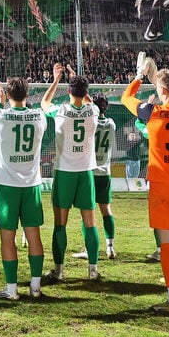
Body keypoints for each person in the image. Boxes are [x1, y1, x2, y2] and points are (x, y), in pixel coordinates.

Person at [122, 63, 169, 313]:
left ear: (163, 90)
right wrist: (157, 77)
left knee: (167, 244)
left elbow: (126, 98)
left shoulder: (152, 113)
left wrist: (139, 76)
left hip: (162, 185)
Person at [0, 78, 49, 300]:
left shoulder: (0, 115)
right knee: (33, 235)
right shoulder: (39, 116)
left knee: (7, 237)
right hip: (31, 184)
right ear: (27, 95)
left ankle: (12, 290)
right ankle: (35, 287)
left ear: (8, 95)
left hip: (7, 186)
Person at [40, 64, 100, 283]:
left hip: (65, 172)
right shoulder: (94, 111)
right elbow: (90, 102)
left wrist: (56, 79)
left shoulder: (60, 111)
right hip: (85, 172)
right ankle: (93, 270)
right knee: (90, 223)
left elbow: (44, 102)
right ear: (85, 93)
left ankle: (59, 271)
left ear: (68, 91)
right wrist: (78, 81)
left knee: (60, 224)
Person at [72, 94, 118, 260]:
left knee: (87, 214)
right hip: (105, 172)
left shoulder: (89, 122)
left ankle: (88, 249)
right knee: (106, 210)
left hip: (89, 172)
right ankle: (110, 247)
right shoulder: (111, 123)